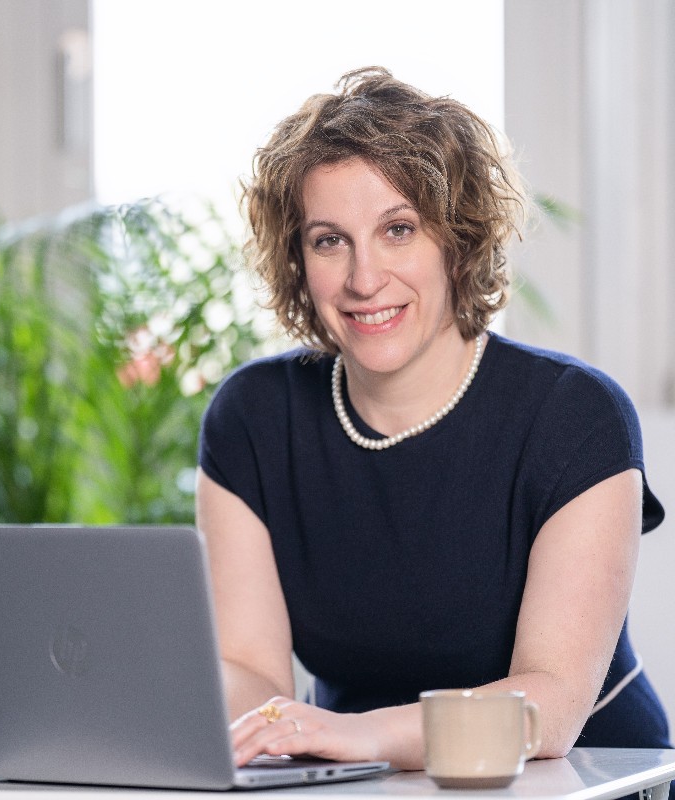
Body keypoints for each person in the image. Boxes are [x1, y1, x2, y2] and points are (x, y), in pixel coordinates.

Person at [196, 67, 670, 779]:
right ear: (298, 258)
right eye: (330, 240)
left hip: (580, 777)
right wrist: (246, 725)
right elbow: (250, 672)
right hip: (363, 783)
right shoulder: (253, 420)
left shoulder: (575, 416)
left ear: (458, 239)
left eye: (398, 229)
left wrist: (359, 735)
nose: (364, 278)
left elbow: (550, 702)